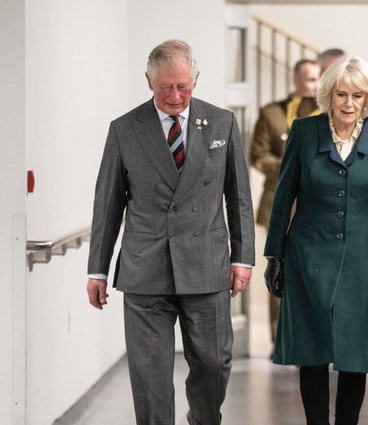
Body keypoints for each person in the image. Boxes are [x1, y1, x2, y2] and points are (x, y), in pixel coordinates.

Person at [86, 39, 255, 425]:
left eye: (184, 85)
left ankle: (202, 419)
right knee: (149, 376)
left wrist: (242, 258)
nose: (176, 95)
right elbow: (107, 205)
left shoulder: (223, 122)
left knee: (214, 365)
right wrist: (97, 269)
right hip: (146, 271)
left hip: (207, 266)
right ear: (149, 82)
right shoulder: (125, 130)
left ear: (195, 80)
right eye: (166, 87)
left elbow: (239, 196)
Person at [263, 56, 368, 425]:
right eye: (341, 95)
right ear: (328, 95)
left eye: (357, 96)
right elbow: (284, 197)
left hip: (363, 259)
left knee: (354, 352)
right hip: (308, 256)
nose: (348, 104)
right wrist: (274, 255)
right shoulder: (304, 131)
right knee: (312, 351)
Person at [250, 58, 320, 347]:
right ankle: (280, 338)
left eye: (316, 79)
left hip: (316, 201)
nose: (311, 84)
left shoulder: (329, 111)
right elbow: (258, 155)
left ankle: (313, 336)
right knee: (279, 267)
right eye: (306, 78)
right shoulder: (271, 112)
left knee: (315, 272)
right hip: (278, 198)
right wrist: (293, 166)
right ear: (295, 78)